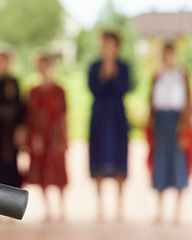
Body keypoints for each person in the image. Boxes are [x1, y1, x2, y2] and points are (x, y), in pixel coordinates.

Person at [88, 31, 130, 221]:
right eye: (104, 44)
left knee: (120, 159)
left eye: (110, 44)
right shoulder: (94, 66)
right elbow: (94, 88)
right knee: (97, 159)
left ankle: (120, 206)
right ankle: (99, 206)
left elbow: (123, 87)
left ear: (117, 46)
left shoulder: (124, 66)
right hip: (99, 116)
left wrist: (111, 69)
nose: (106, 47)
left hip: (117, 116)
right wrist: (106, 73)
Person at [148, 43, 191, 224]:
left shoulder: (182, 76)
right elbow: (151, 101)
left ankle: (177, 213)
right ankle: (159, 211)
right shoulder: (158, 76)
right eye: (164, 55)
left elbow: (187, 103)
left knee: (178, 164)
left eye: (169, 55)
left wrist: (184, 128)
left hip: (177, 124)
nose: (167, 58)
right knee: (161, 164)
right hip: (161, 123)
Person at [25, 54, 68, 221]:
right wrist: (33, 137)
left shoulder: (59, 90)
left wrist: (64, 138)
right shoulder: (33, 91)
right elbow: (30, 117)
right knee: (41, 169)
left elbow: (64, 115)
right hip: (39, 135)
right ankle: (48, 209)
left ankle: (62, 208)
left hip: (55, 134)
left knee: (59, 169)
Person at [0, 44, 23, 188]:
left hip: (9, 129)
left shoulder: (13, 82)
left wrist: (21, 128)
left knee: (10, 163)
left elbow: (19, 106)